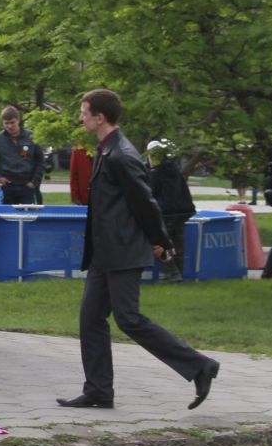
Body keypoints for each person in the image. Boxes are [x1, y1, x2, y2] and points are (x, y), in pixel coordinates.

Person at [59, 89, 218, 412]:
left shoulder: (122, 155)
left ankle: (200, 366)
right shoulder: (107, 151)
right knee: (90, 319)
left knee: (128, 318)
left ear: (99, 117)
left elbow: (145, 203)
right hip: (106, 252)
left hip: (122, 250)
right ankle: (99, 390)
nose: (80, 117)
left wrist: (162, 241)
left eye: (84, 111)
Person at [148, 140, 196, 282]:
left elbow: (150, 192)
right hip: (182, 211)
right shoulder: (173, 168)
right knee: (178, 243)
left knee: (161, 243)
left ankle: (172, 272)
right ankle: (179, 274)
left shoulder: (156, 172)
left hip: (167, 212)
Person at [0, 105, 44, 205]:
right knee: (6, 217)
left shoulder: (31, 136)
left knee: (27, 216)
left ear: (18, 120)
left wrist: (34, 181)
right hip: (6, 186)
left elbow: (40, 161)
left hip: (26, 185)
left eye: (12, 122)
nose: (9, 126)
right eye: (6, 123)